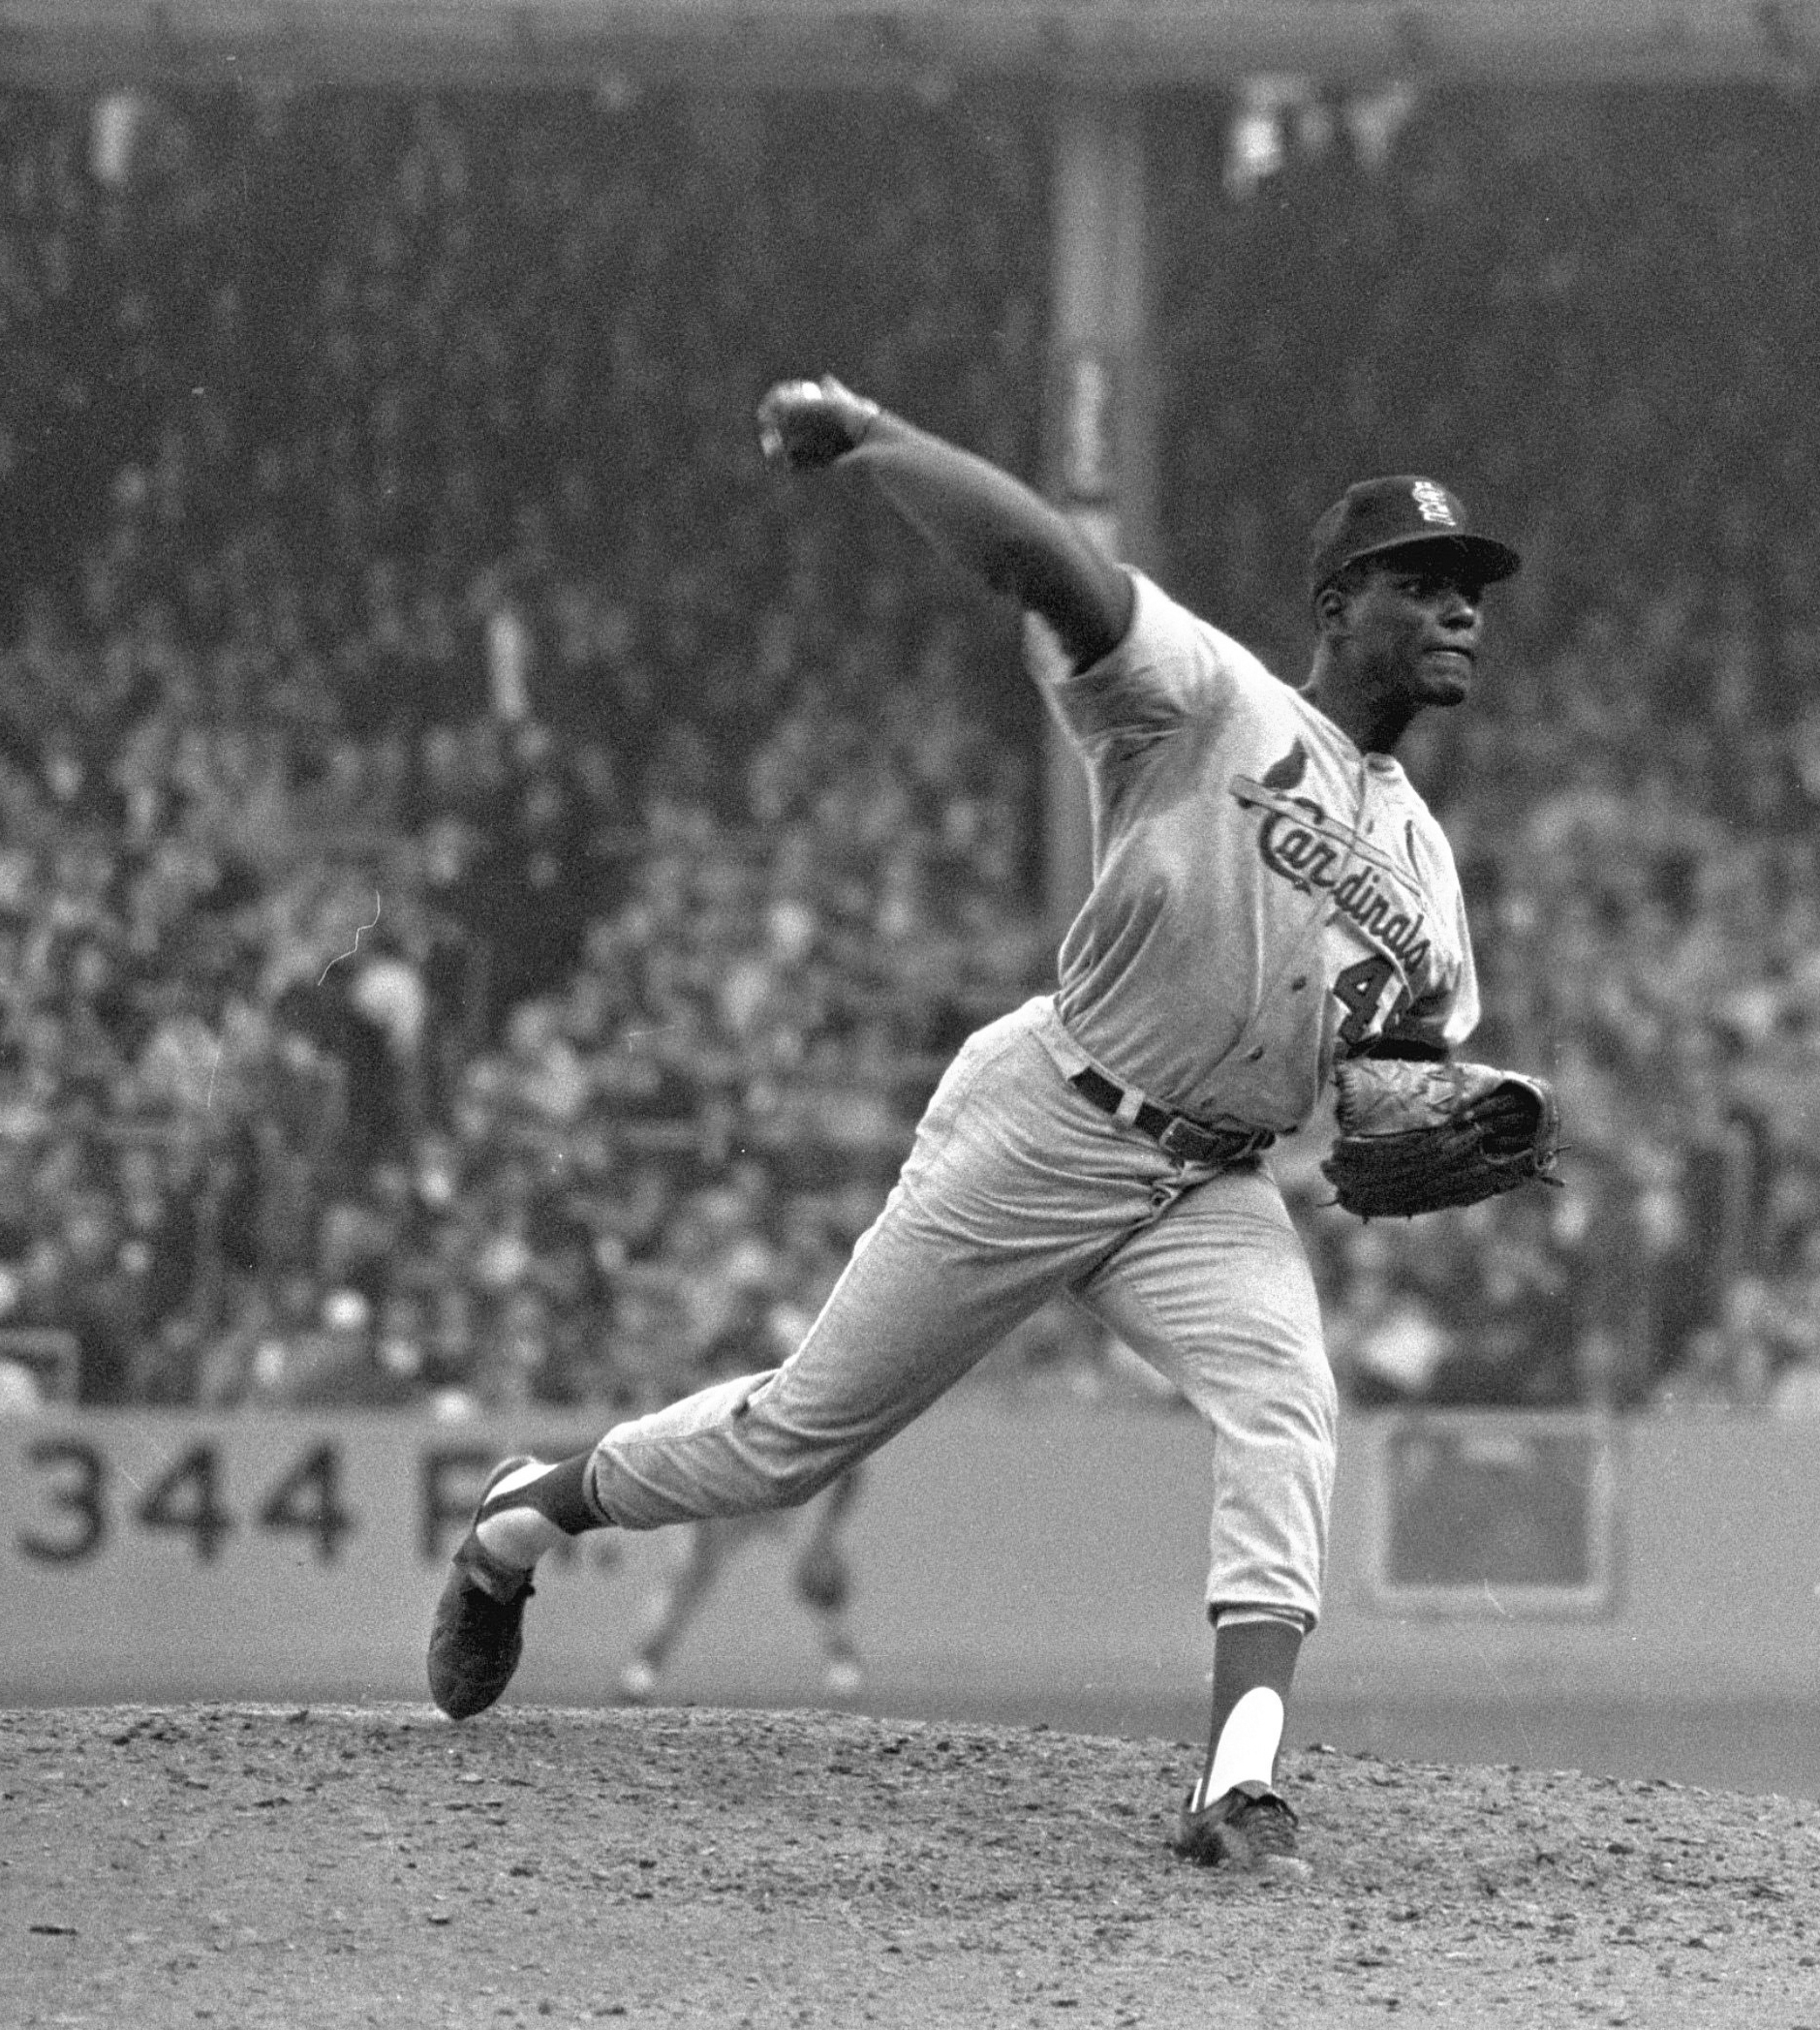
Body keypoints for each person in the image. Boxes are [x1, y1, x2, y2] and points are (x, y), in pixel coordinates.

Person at [426, 372, 1525, 1886]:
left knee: (1287, 1404)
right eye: (1425, 584)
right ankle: (523, 1521)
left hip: (1205, 1186)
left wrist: (1429, 1132)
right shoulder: (1208, 701)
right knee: (786, 1447)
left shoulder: (1425, 865)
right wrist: (882, 442)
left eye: (1471, 590)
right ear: (1339, 606)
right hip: (1050, 1120)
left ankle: (1241, 1777)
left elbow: (1399, 1077)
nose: (1462, 610)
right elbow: (1050, 570)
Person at [612, 1469, 869, 1706]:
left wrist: (825, 1535)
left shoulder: (811, 1426)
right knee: (688, 1576)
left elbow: (849, 1468)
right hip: (723, 1494)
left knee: (816, 1568)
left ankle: (842, 1660)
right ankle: (644, 1665)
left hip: (784, 1491)